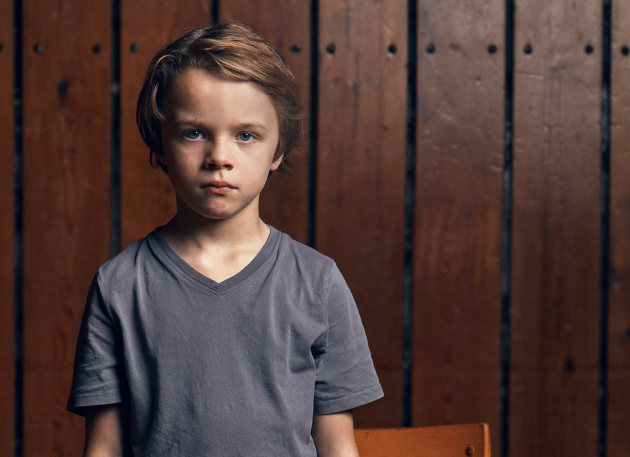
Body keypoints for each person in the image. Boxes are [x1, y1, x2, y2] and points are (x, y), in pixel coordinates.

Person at [67, 21, 383, 456]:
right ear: (160, 143)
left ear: (278, 149)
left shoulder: (317, 281)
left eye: (245, 135)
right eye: (193, 133)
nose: (219, 157)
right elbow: (103, 448)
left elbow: (338, 447)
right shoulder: (119, 286)